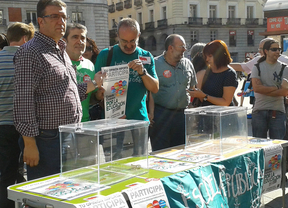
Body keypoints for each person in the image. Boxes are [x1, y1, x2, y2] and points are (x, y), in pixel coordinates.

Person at [13, 0, 105, 181]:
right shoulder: (29, 52)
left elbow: (68, 91)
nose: (61, 21)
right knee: (47, 193)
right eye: (54, 16)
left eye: (64, 17)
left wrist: (95, 83)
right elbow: (23, 101)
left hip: (69, 133)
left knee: (66, 189)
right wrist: (29, 144)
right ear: (41, 21)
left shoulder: (60, 49)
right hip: (47, 138)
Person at [95, 17, 159, 157]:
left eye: (133, 41)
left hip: (139, 120)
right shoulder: (106, 55)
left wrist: (142, 73)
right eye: (124, 41)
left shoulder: (146, 56)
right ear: (117, 36)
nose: (129, 45)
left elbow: (154, 88)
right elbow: (96, 94)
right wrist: (100, 91)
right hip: (112, 122)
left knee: (139, 164)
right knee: (113, 166)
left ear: (139, 36)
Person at [0, 22, 35, 208]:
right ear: (24, 39)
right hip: (26, 126)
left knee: (6, 171)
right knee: (30, 170)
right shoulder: (27, 61)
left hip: (1, 127)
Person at [149, 34, 197, 151]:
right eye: (181, 46)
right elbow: (148, 91)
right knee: (161, 153)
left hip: (181, 116)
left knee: (181, 152)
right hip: (160, 115)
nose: (185, 50)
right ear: (171, 48)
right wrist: (150, 113)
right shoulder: (154, 64)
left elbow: (194, 88)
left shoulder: (188, 64)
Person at [63, 23, 103, 122]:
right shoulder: (58, 63)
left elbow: (90, 100)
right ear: (64, 41)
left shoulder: (89, 65)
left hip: (85, 122)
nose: (79, 41)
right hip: (64, 125)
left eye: (83, 38)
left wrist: (98, 95)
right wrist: (94, 83)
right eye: (75, 37)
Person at [251, 39, 288, 139]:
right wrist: (276, 87)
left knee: (277, 146)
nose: (277, 52)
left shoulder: (284, 68)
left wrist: (265, 89)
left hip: (278, 112)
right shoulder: (257, 67)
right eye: (274, 49)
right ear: (266, 51)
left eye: (279, 49)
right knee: (259, 144)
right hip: (259, 111)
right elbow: (257, 88)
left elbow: (285, 91)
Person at [188, 40, 238, 106]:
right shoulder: (204, 72)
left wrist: (205, 96)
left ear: (219, 56)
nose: (207, 59)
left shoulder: (230, 74)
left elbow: (226, 102)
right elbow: (201, 99)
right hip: (206, 113)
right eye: (205, 56)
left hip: (223, 113)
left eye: (210, 56)